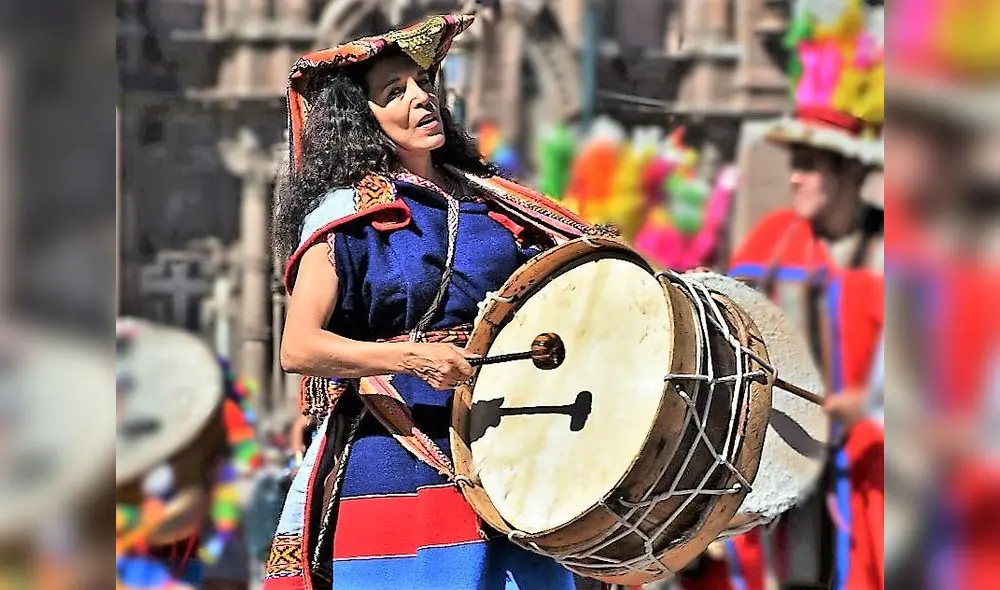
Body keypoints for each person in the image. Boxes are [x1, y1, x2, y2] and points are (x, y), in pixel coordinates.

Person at [263, 13, 612, 590]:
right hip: (394, 451)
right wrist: (412, 359)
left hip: (508, 440)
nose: (420, 99)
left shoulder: (496, 206)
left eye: (423, 86)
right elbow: (300, 347)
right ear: (362, 121)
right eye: (393, 93)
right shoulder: (344, 216)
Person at [680, 2, 884, 589]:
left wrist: (863, 406)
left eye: (810, 165)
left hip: (871, 481)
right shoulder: (773, 241)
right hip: (780, 472)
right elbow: (725, 335)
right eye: (793, 162)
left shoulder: (895, 249)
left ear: (848, 170)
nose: (794, 176)